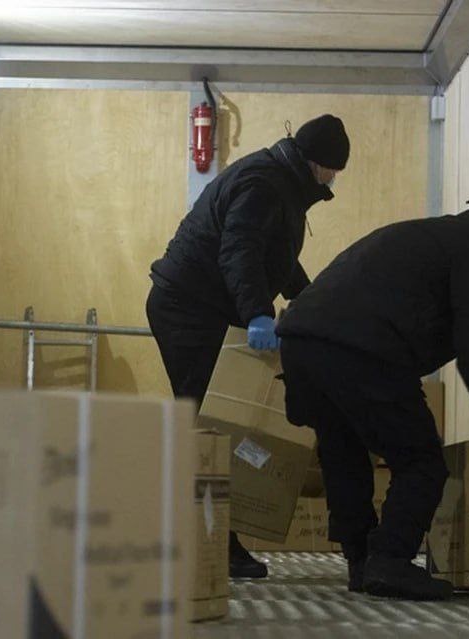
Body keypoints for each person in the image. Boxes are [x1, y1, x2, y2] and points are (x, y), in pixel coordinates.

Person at [276, 189, 469, 599]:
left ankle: (361, 560)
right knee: (422, 460)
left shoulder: (437, 236)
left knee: (344, 450)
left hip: (301, 342)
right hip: (360, 347)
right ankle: (389, 559)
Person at [146, 114, 350, 579]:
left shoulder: (282, 183)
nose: (333, 181)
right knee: (211, 427)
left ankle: (211, 541)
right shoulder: (263, 184)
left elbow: (277, 256)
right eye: (333, 171)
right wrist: (258, 312)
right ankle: (213, 545)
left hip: (203, 309)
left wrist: (311, 301)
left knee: (211, 426)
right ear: (319, 163)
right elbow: (239, 249)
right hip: (187, 310)